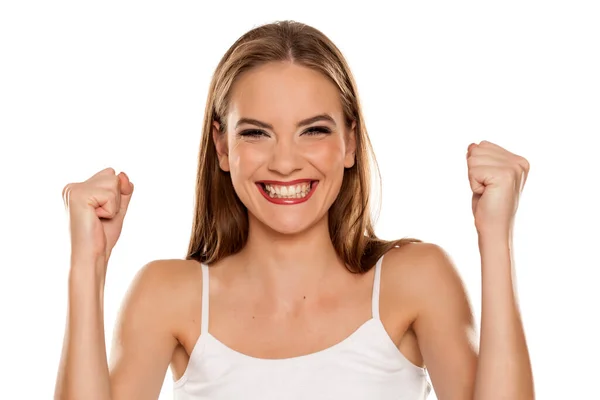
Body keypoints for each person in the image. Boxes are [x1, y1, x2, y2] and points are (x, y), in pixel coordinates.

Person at [54, 20, 534, 400]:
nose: (284, 162)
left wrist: (496, 240)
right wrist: (87, 263)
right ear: (222, 147)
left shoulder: (415, 279)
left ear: (350, 141)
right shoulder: (168, 296)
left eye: (314, 130)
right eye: (256, 133)